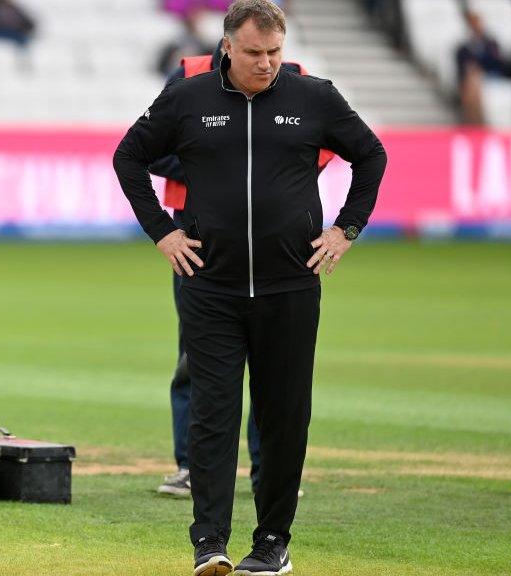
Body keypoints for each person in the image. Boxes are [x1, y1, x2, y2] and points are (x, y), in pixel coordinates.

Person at [113, 1, 386, 575]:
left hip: (292, 285)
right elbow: (129, 155)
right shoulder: (188, 98)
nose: (267, 65)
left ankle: (272, 546)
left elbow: (371, 155)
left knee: (284, 416)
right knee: (213, 414)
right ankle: (209, 544)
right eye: (256, 53)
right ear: (228, 47)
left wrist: (346, 229)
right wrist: (162, 232)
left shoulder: (313, 96)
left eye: (276, 54)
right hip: (209, 285)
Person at [455, 10, 505, 125]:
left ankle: (475, 121)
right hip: (471, 79)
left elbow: (498, 62)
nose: (476, 26)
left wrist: (479, 67)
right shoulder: (464, 47)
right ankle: (476, 120)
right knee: (472, 81)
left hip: (491, 75)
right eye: (473, 23)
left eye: (477, 22)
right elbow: (461, 66)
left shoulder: (491, 43)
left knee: (474, 81)